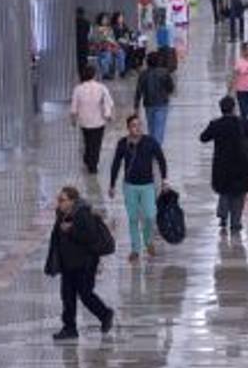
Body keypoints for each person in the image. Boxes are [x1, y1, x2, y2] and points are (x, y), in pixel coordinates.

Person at [46, 186, 114, 341]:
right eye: (59, 200)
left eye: (62, 200)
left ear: (72, 201)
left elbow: (88, 237)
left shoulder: (82, 214)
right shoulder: (62, 214)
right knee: (67, 296)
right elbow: (57, 236)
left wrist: (70, 230)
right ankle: (69, 328)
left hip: (85, 263)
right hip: (68, 263)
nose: (59, 203)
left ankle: (105, 314)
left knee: (85, 294)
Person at [108, 114, 167, 263]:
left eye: (139, 125)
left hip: (147, 185)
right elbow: (116, 164)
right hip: (129, 186)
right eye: (134, 125)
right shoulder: (123, 143)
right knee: (133, 218)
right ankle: (135, 249)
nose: (137, 128)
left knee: (149, 215)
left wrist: (165, 180)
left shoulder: (150, 142)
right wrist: (112, 185)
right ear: (128, 128)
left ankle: (148, 242)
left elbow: (161, 159)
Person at [200, 96, 248, 236]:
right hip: (241, 164)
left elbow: (203, 138)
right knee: (239, 194)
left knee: (224, 190)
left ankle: (223, 215)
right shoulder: (243, 123)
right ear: (234, 108)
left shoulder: (216, 124)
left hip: (222, 164)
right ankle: (236, 222)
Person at [69, 64, 113, 175]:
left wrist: (73, 119)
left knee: (88, 141)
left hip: (84, 121)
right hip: (99, 121)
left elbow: (74, 106)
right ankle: (92, 165)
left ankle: (88, 158)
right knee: (96, 143)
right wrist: (108, 115)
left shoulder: (78, 89)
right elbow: (108, 102)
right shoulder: (101, 87)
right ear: (94, 75)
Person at [134, 49, 174, 147]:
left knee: (151, 128)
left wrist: (136, 106)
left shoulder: (143, 74)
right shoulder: (165, 72)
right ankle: (156, 148)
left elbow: (138, 91)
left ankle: (153, 147)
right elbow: (171, 88)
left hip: (148, 104)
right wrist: (166, 92)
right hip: (162, 104)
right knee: (159, 128)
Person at [88, 12, 118, 79]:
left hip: (108, 47)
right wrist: (102, 38)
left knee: (109, 55)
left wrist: (109, 40)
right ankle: (104, 73)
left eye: (106, 19)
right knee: (105, 56)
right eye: (104, 19)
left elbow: (113, 39)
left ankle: (105, 73)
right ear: (100, 19)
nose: (105, 21)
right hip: (98, 47)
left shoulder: (110, 29)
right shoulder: (95, 28)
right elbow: (92, 39)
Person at [75, 6, 91, 75]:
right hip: (85, 43)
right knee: (84, 61)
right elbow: (88, 33)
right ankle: (83, 74)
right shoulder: (87, 22)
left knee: (79, 61)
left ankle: (80, 74)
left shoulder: (75, 22)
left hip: (77, 44)